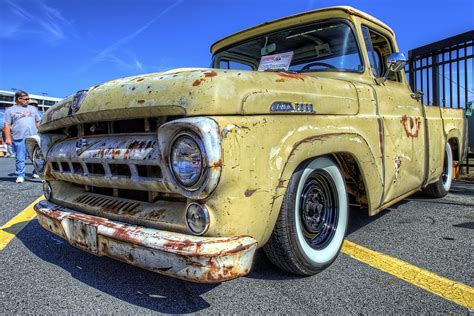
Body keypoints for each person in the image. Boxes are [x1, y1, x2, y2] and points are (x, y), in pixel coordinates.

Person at [3, 90, 41, 183]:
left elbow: (38, 122)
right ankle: (20, 175)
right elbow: (7, 125)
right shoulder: (10, 110)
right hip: (18, 137)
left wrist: (41, 133)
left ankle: (37, 172)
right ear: (19, 99)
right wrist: (8, 138)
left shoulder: (33, 109)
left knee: (37, 157)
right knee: (20, 157)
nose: (28, 100)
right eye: (26, 99)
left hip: (33, 137)